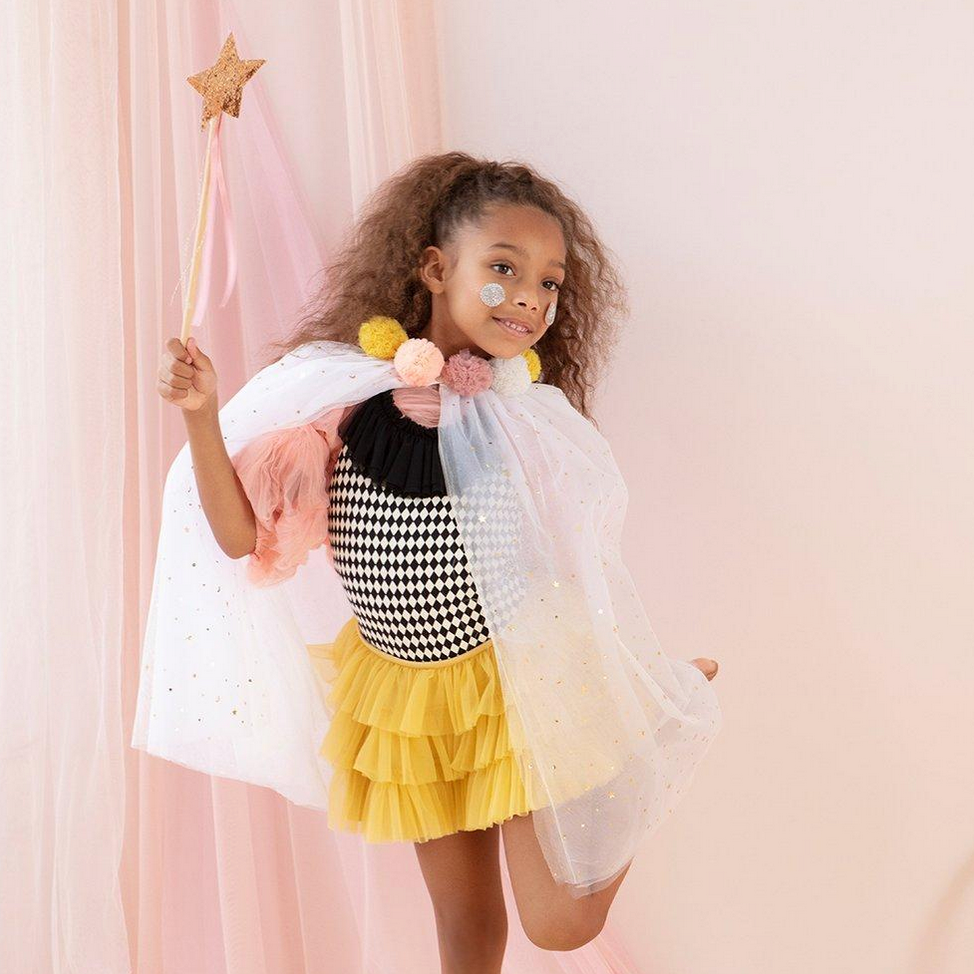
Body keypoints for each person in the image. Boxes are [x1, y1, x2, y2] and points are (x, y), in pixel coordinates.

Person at [134, 152, 721, 969]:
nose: (530, 297)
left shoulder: (518, 417)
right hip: (407, 698)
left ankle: (651, 719)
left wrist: (614, 673)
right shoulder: (342, 402)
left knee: (560, 925)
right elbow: (240, 539)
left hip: (513, 683)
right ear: (437, 269)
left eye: (549, 283)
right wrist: (202, 413)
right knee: (466, 928)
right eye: (505, 269)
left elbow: (575, 553)